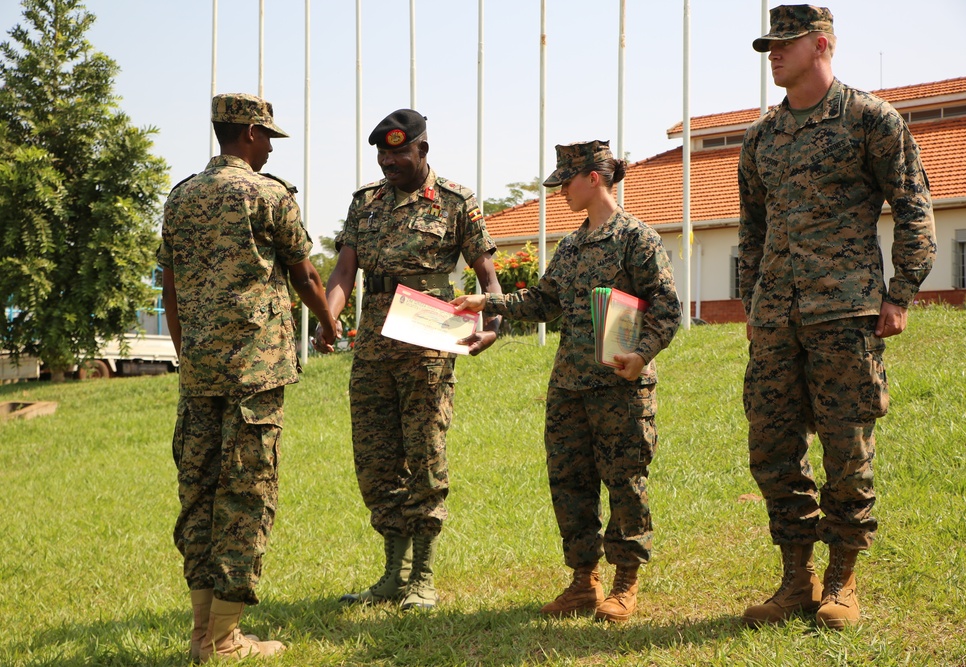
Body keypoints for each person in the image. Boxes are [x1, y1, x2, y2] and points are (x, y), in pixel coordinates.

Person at [738, 6, 936, 630]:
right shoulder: (761, 136)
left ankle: (842, 580)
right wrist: (753, 305)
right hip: (776, 319)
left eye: (784, 44)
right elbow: (752, 230)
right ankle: (795, 579)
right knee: (772, 448)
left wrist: (899, 292)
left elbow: (914, 208)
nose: (772, 54)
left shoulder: (868, 119)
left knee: (846, 448)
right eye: (768, 45)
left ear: (821, 44)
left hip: (845, 313)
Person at [452, 140, 680, 623]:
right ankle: (583, 581)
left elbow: (666, 307)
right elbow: (543, 302)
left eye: (566, 183)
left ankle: (624, 583)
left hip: (621, 387)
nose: (559, 193)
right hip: (569, 387)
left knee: (624, 483)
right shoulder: (572, 245)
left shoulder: (637, 238)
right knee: (569, 484)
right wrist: (487, 304)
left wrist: (641, 356)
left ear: (593, 178)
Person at [159, 92, 339, 661]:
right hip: (253, 379)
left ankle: (200, 633)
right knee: (244, 495)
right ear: (251, 134)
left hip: (199, 378)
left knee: (199, 494)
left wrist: (189, 353)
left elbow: (169, 285)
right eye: (267, 138)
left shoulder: (180, 196)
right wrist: (329, 322)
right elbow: (305, 271)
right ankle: (224, 639)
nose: (268, 150)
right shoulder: (268, 195)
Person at [314, 109, 503, 610]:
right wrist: (328, 317)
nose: (389, 161)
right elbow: (343, 271)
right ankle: (392, 576)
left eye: (399, 151)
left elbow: (487, 273)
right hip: (375, 344)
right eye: (382, 152)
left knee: (424, 453)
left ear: (422, 149)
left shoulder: (456, 201)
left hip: (430, 342)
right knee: (376, 459)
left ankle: (422, 577)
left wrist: (495, 322)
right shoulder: (365, 203)